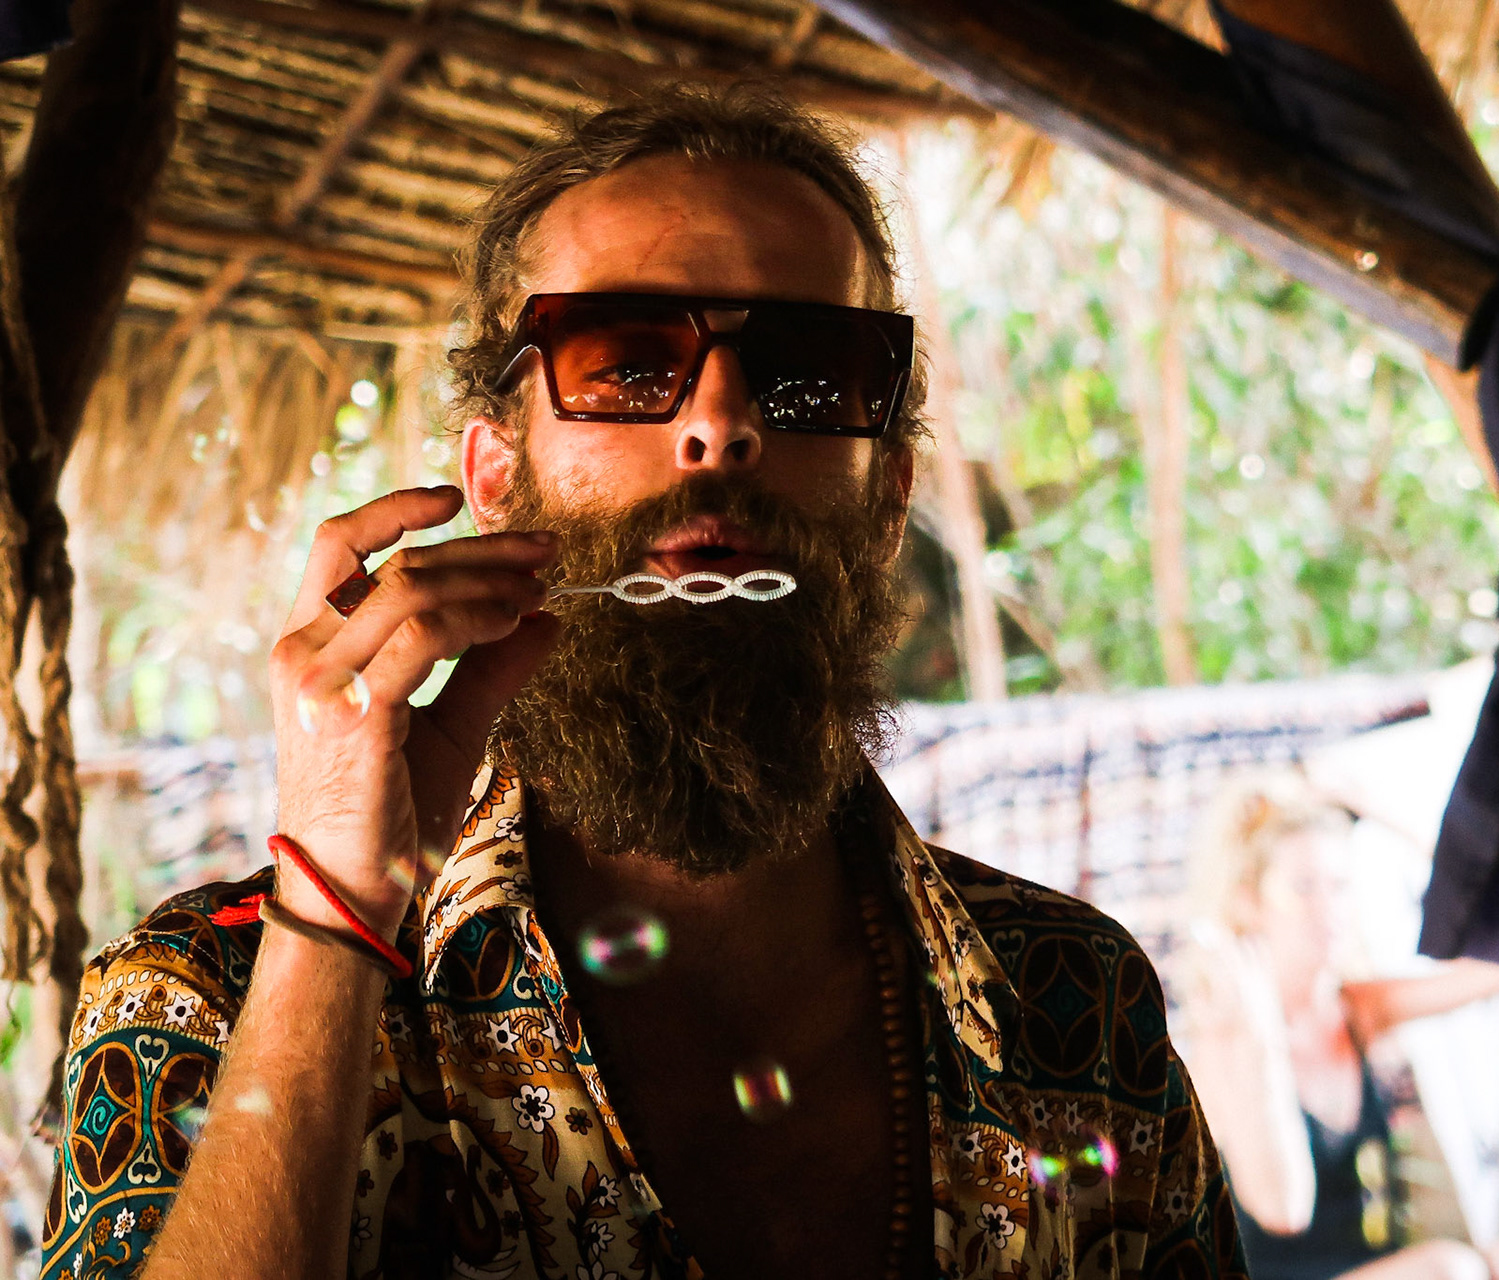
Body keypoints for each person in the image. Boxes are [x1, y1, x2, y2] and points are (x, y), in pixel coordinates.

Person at [41, 87, 1246, 1280]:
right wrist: (335, 919)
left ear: (889, 494)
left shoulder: (1078, 1008)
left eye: (809, 370)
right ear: (495, 477)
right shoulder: (202, 1002)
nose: (720, 423)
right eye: (624, 361)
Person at [1181, 781, 1499, 1280]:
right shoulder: (1225, 1036)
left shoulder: (1358, 1008)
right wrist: (1263, 1038)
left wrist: (1379, 812)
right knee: (1451, 1269)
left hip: (1371, 1267)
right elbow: (1283, 1211)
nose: (1329, 909)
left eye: (1342, 885)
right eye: (1304, 887)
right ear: (1249, 903)